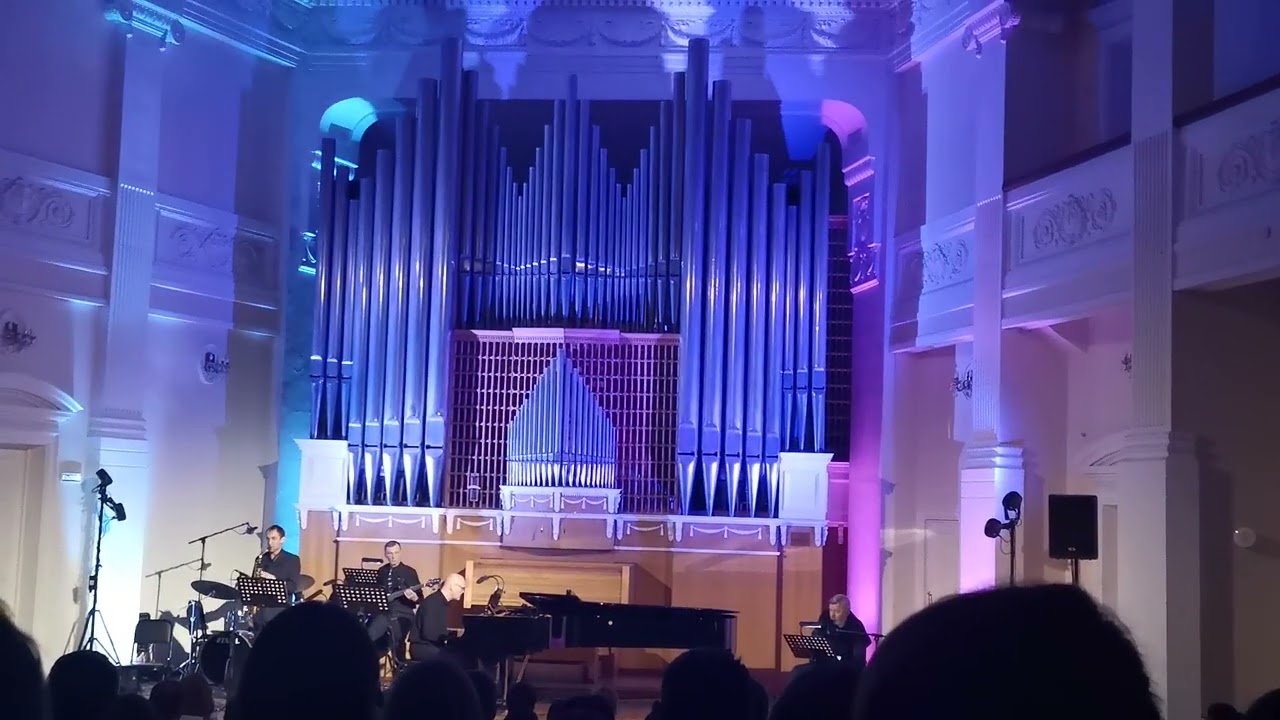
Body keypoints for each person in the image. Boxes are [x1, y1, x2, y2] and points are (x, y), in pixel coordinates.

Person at [368, 540, 421, 666]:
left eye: (396, 553)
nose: (393, 556)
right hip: (384, 613)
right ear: (385, 554)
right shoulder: (382, 571)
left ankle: (400, 672)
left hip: (403, 614)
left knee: (397, 642)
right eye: (390, 553)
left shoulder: (409, 572)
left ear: (400, 553)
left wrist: (414, 597)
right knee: (370, 635)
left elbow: (420, 598)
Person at [254, 524, 302, 630]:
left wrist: (274, 580)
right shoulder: (262, 559)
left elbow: (293, 586)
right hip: (261, 611)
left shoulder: (292, 560)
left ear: (282, 540)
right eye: (268, 539)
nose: (270, 542)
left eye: (274, 538)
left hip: (279, 611)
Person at [410, 573, 466, 660]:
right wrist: (452, 637)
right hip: (422, 647)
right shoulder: (433, 602)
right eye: (462, 588)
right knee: (454, 658)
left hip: (432, 645)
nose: (463, 591)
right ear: (452, 586)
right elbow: (429, 634)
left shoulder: (442, 603)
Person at [813, 594, 870, 669]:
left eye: (837, 611)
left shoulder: (856, 626)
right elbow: (816, 636)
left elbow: (858, 659)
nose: (832, 615)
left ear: (847, 611)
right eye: (831, 610)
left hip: (846, 668)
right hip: (825, 663)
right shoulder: (825, 617)